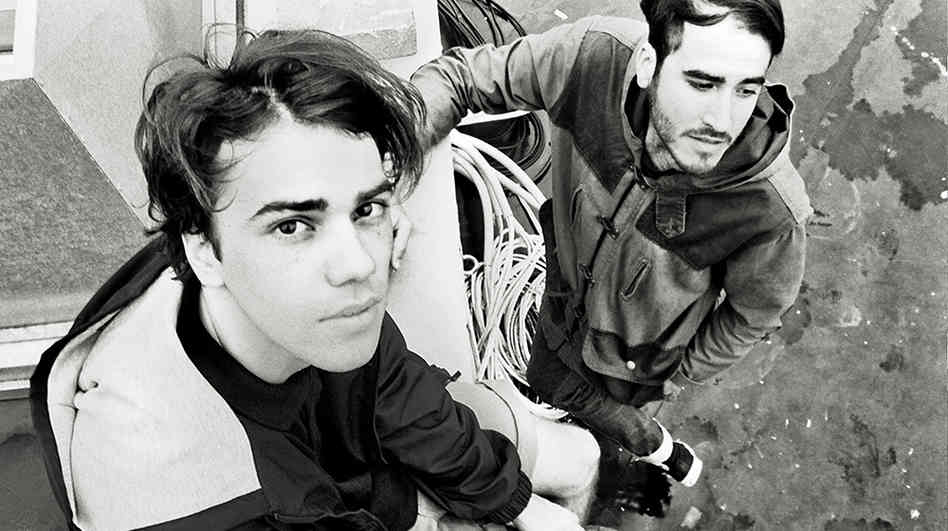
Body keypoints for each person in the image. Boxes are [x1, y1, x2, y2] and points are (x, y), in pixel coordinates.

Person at [29, 29, 602, 531]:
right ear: (202, 251)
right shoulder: (198, 504)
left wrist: (515, 503)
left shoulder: (263, 276)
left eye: (366, 209)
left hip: (354, 473)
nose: (359, 264)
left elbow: (388, 383)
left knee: (579, 458)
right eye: (293, 225)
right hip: (315, 505)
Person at [411, 0, 811, 488]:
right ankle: (632, 436)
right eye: (701, 83)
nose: (723, 121)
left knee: (618, 412)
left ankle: (658, 448)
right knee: (548, 379)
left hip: (640, 365)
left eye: (746, 89)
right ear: (647, 63)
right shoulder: (592, 58)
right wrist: (380, 174)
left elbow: (755, 315)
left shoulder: (771, 211)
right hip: (561, 301)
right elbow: (460, 77)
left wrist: (678, 371)